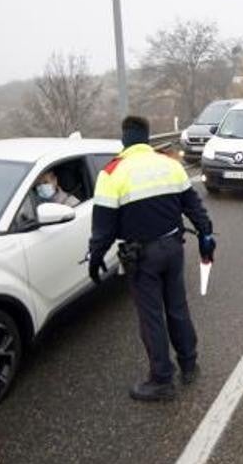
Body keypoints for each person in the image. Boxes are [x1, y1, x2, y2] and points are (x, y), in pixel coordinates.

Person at [88, 116, 216, 401]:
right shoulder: (169, 164)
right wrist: (207, 234)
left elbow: (103, 228)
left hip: (142, 256)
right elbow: (194, 207)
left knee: (151, 317)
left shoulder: (112, 173)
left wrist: (95, 259)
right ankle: (189, 364)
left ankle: (161, 380)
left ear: (124, 139)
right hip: (173, 248)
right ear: (147, 138)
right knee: (177, 308)